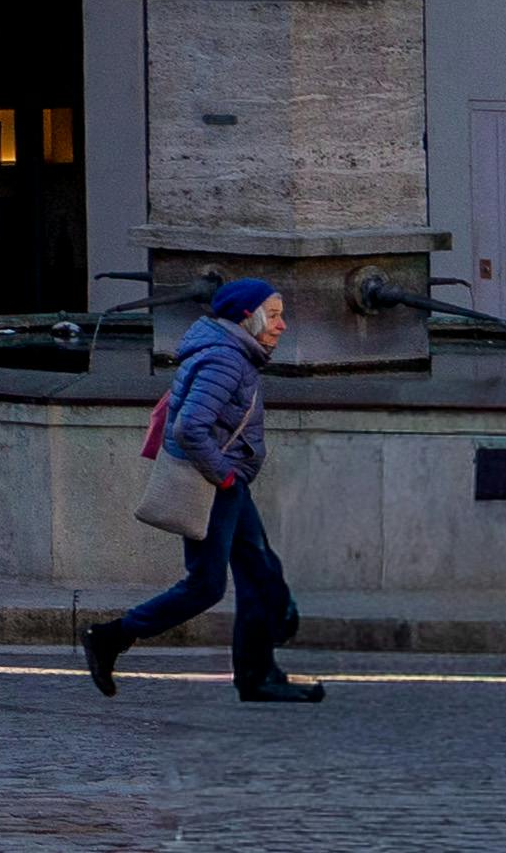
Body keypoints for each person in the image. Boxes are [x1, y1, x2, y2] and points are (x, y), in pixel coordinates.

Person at [91, 276, 320, 703]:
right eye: (273, 316)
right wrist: (225, 476)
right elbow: (190, 427)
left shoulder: (234, 352)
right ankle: (111, 637)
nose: (282, 325)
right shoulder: (225, 360)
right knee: (206, 586)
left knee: (259, 571)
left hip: (227, 483)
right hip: (214, 484)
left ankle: (257, 676)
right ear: (245, 318)